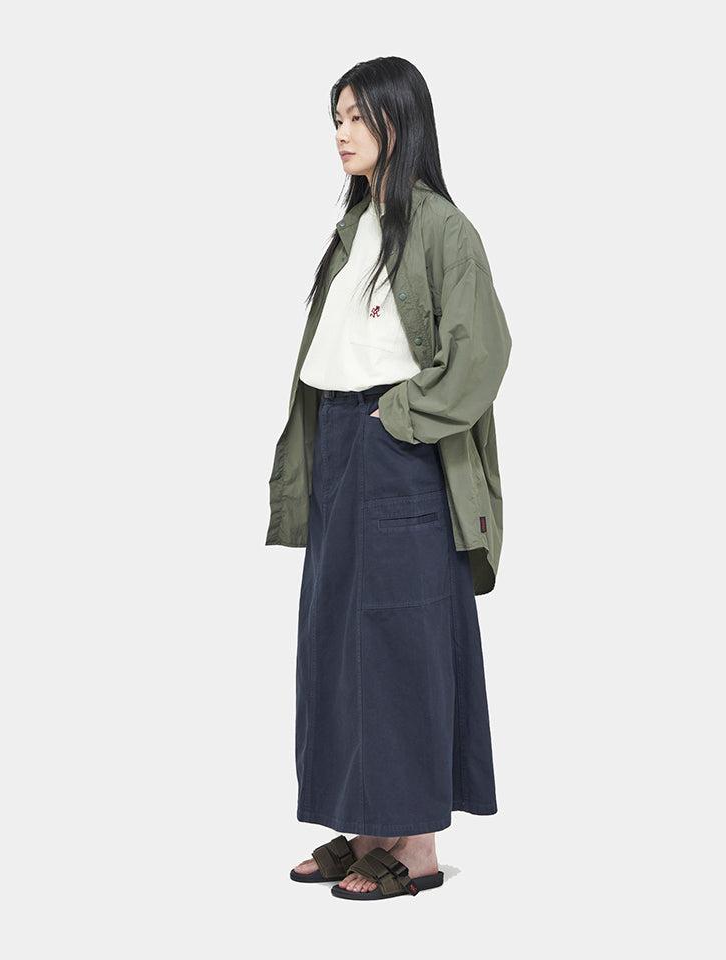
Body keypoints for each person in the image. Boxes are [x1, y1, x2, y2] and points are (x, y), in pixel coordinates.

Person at [265, 56, 512, 901]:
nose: (340, 133)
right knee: (340, 641)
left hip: (398, 450)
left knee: (402, 642)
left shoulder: (443, 229)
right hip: (343, 446)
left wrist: (397, 419)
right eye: (335, 118)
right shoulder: (355, 226)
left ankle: (418, 849)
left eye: (355, 117)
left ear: (398, 122)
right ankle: (372, 828)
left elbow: (482, 355)